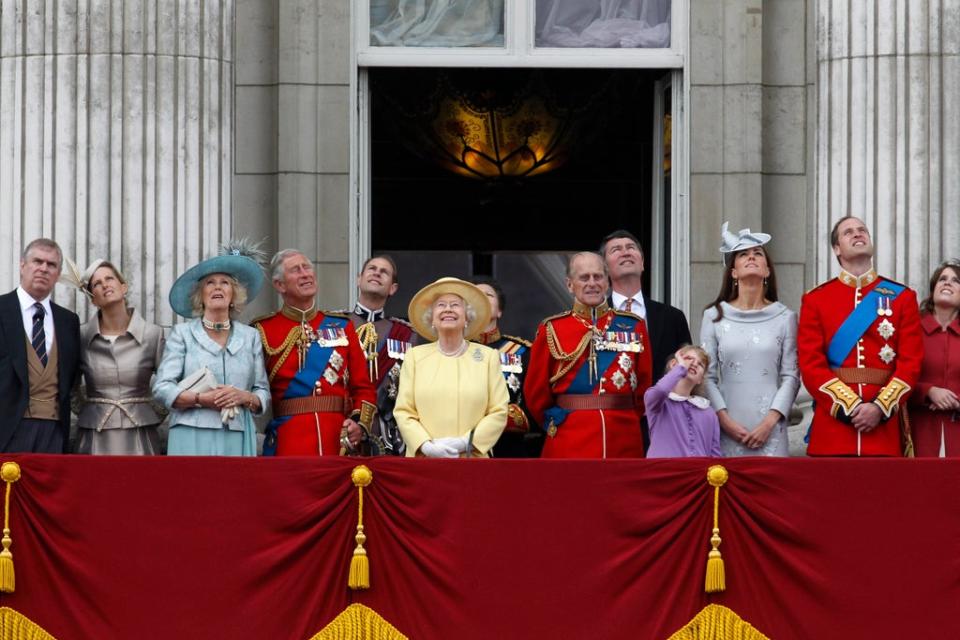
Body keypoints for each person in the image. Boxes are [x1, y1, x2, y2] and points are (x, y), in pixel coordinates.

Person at [798, 216, 923, 456]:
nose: (857, 234)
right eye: (848, 232)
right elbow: (811, 365)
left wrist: (879, 408)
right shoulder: (816, 299)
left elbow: (910, 363)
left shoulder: (903, 297)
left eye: (862, 230)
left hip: (883, 431)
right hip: (834, 431)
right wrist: (850, 406)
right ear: (837, 249)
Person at [524, 252, 653, 458]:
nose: (592, 283)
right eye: (584, 278)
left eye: (598, 276)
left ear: (607, 282)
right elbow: (536, 393)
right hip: (569, 438)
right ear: (569, 284)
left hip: (622, 436)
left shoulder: (633, 325)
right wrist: (557, 419)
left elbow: (644, 385)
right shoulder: (552, 328)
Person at [253, 250, 376, 456]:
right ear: (279, 285)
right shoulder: (262, 329)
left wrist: (359, 424)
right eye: (295, 270)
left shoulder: (342, 326)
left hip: (337, 439)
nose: (305, 274)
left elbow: (363, 386)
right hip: (288, 440)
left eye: (307, 267)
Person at [152, 245, 271, 456]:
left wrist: (243, 396)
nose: (218, 288)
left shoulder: (250, 336)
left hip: (238, 433)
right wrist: (201, 399)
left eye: (225, 282)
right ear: (201, 294)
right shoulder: (182, 334)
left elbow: (261, 391)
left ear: (234, 294)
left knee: (236, 490)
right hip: (191, 432)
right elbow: (162, 388)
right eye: (210, 283)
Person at [700, 223, 800, 457]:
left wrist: (769, 423)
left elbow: (791, 376)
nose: (751, 257)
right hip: (726, 424)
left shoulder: (785, 317)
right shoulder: (713, 316)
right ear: (733, 271)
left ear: (767, 270)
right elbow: (707, 376)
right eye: (743, 254)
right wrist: (724, 420)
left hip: (771, 427)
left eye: (757, 253)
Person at [394, 277, 508, 458]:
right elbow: (403, 411)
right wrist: (426, 446)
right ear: (431, 318)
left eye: (455, 305)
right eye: (440, 305)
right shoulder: (415, 357)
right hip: (424, 461)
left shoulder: (488, 357)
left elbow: (499, 410)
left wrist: (466, 442)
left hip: (472, 460)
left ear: (467, 318)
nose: (448, 309)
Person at [62, 259, 166, 454]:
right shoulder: (80, 336)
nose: (105, 285)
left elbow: (169, 384)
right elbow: (70, 387)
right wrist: (92, 412)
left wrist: (148, 414)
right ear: (92, 298)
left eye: (109, 278)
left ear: (123, 286)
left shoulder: (153, 334)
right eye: (97, 283)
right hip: (94, 435)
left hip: (140, 434)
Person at [0, 238, 80, 453]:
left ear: (58, 273)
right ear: (22, 265)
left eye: (51, 265)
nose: (43, 269)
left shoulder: (68, 321)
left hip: (55, 430)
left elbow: (72, 377)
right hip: (6, 428)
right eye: (37, 261)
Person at [338, 255, 418, 455]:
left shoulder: (407, 334)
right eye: (372, 268)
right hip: (342, 427)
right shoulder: (336, 323)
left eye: (384, 272)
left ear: (393, 288)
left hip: (386, 434)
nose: (377, 273)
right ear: (359, 279)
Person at [601, 229, 691, 380]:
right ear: (605, 269)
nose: (625, 253)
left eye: (631, 247)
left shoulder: (673, 317)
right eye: (616, 249)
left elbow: (687, 369)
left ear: (642, 263)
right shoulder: (595, 317)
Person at [471, 277, 542, 457]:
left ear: (500, 311)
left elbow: (535, 405)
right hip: (462, 448)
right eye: (474, 296)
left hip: (509, 448)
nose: (482, 299)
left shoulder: (522, 351)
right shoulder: (453, 349)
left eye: (488, 295)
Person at [911, 261, 960, 456]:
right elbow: (893, 376)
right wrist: (928, 391)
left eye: (956, 280)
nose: (947, 283)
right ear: (932, 291)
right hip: (919, 430)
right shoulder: (912, 328)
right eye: (943, 279)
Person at [644, 346, 721, 458]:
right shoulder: (659, 403)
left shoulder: (708, 412)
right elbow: (660, 390)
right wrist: (680, 369)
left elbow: (715, 454)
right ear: (673, 364)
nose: (694, 364)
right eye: (689, 358)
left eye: (700, 364)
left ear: (700, 379)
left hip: (697, 473)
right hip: (664, 472)